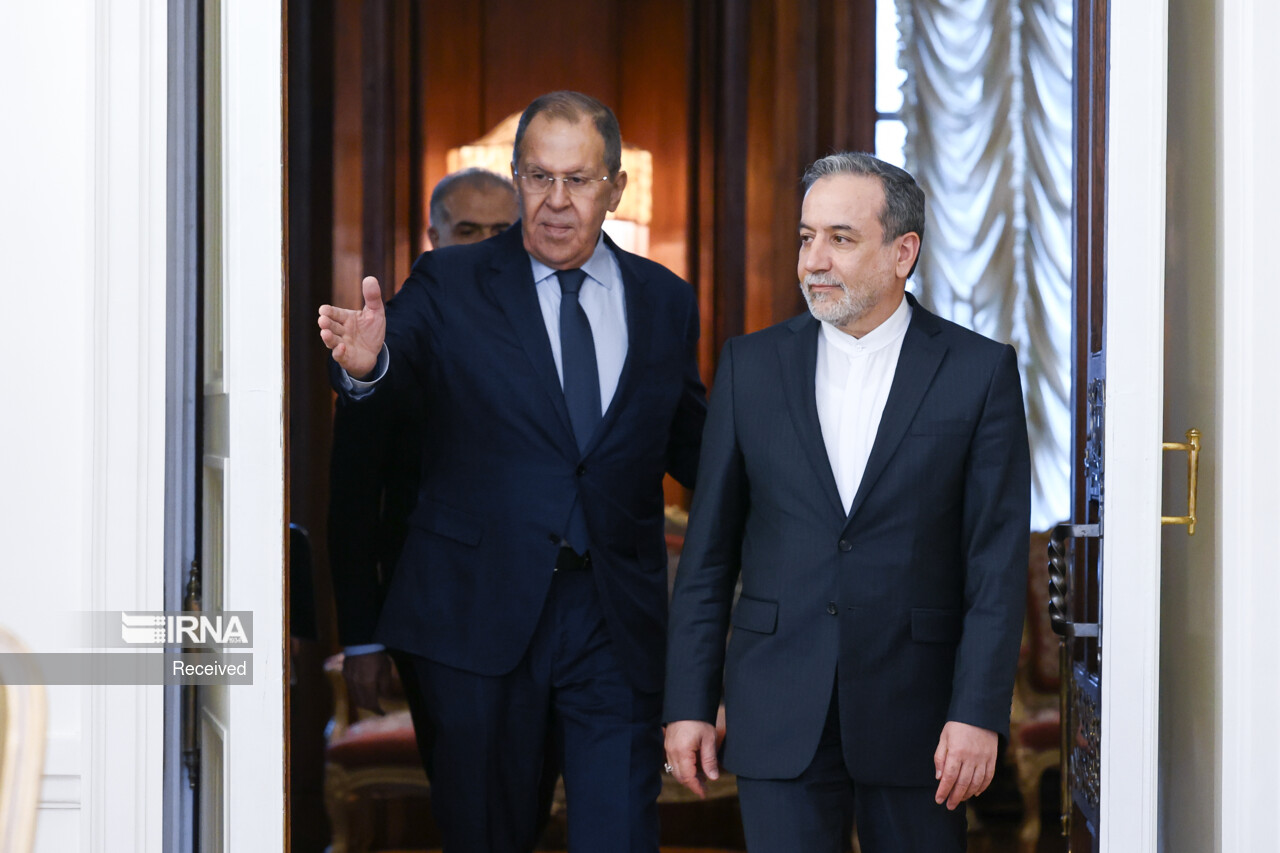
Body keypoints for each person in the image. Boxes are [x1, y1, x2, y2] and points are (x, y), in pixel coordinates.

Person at [318, 91, 707, 853]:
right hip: (476, 615)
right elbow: (392, 365)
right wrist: (367, 367)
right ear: (518, 178)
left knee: (621, 833)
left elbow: (692, 443)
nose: (556, 201)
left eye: (579, 180)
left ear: (616, 187)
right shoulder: (449, 281)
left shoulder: (665, 299)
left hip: (613, 616)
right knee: (489, 834)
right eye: (538, 177)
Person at [662, 152, 1030, 852]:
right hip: (776, 704)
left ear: (902, 252)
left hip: (922, 720)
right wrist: (688, 702)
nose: (814, 261)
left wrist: (978, 712)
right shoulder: (749, 366)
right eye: (806, 237)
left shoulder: (979, 372)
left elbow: (995, 566)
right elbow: (708, 556)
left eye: (840, 238)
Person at [329, 168, 519, 715]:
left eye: (501, 231)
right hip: (436, 617)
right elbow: (354, 499)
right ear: (435, 236)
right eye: (468, 230)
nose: (485, 245)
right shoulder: (397, 331)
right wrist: (362, 640)